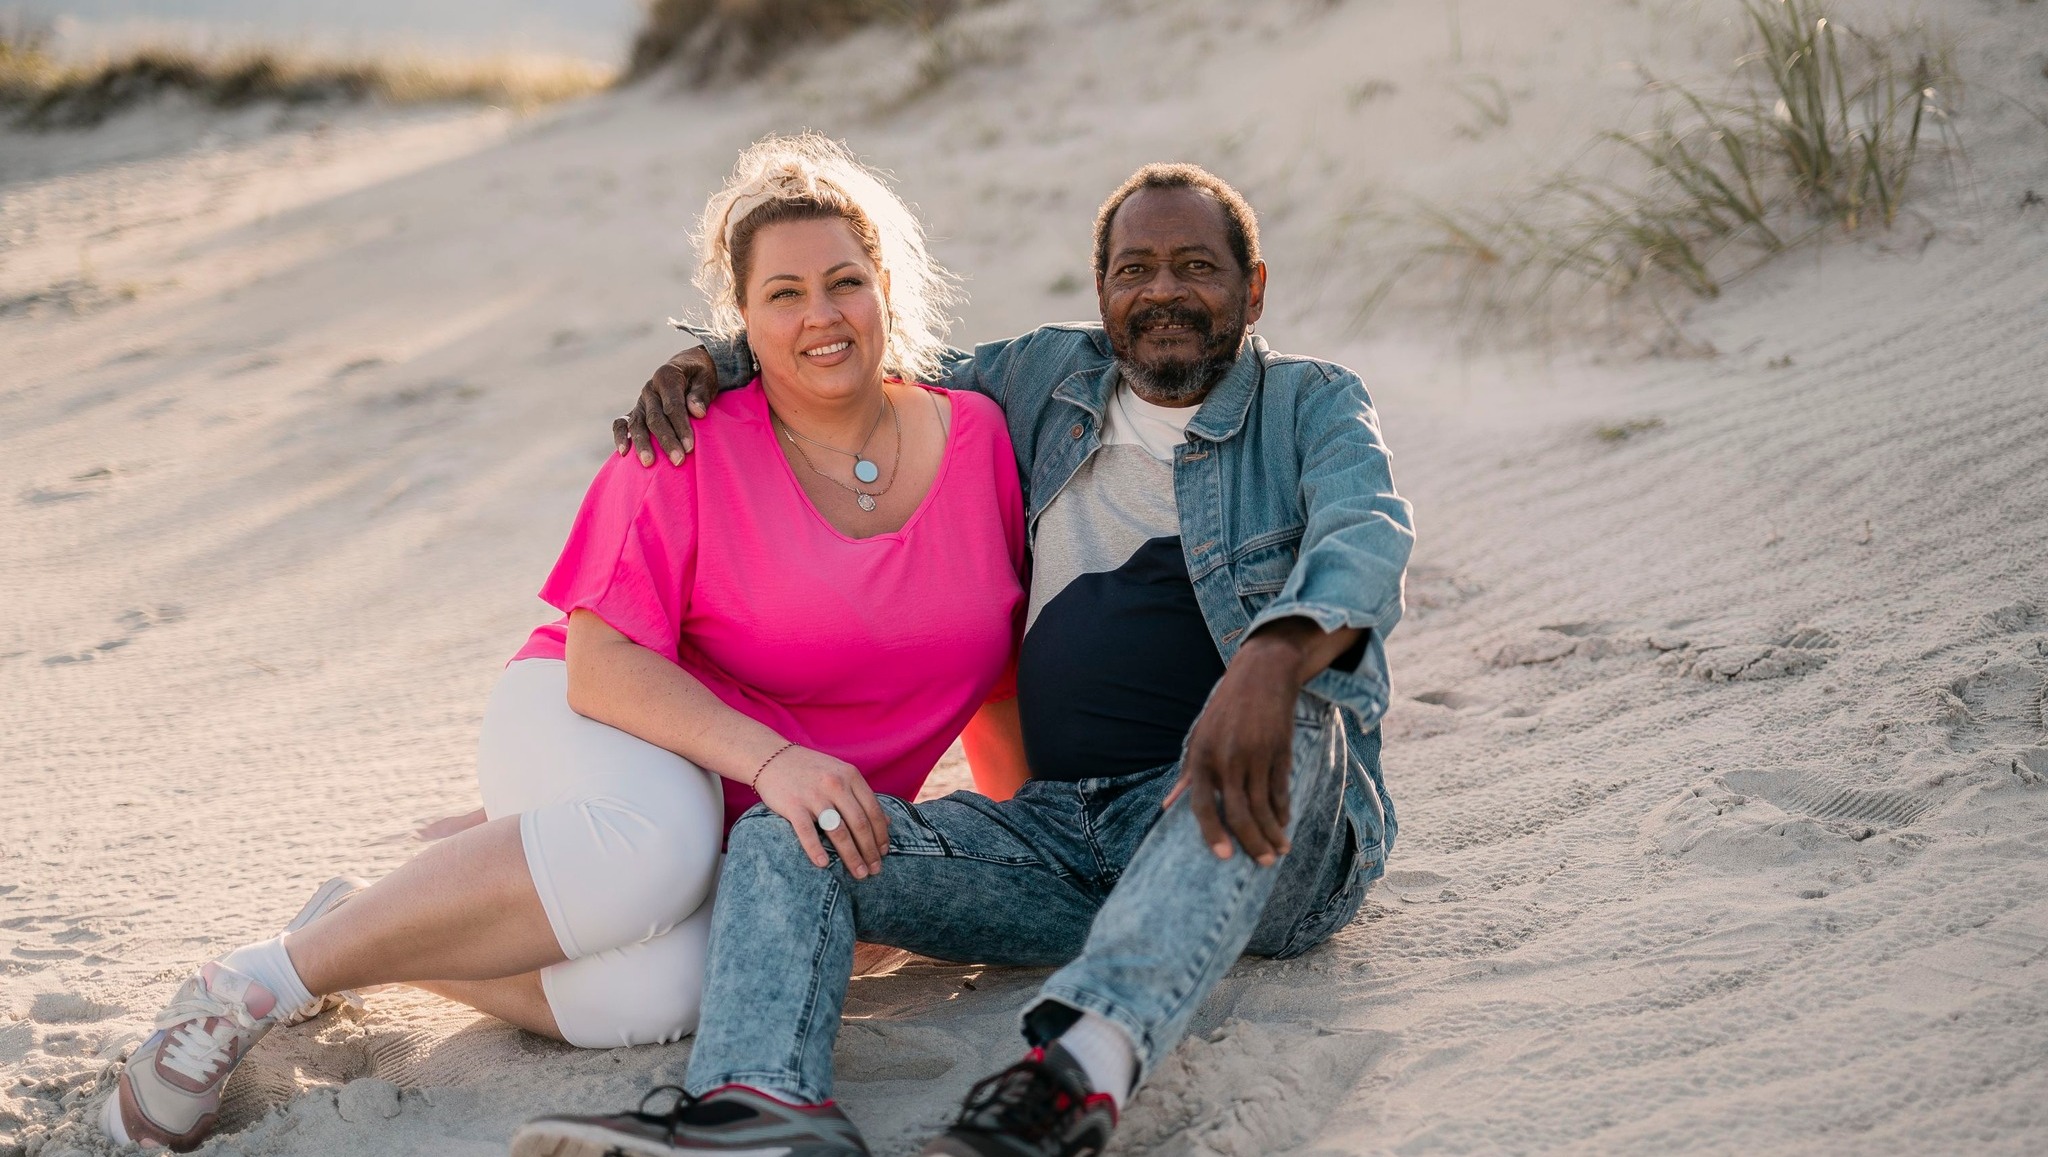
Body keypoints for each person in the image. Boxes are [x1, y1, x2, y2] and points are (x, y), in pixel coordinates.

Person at [101, 134, 1030, 1153]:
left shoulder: (980, 440)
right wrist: (772, 760)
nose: (821, 314)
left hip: (765, 812)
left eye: (844, 281)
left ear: (884, 286)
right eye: (784, 293)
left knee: (664, 991)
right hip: (600, 713)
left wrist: (1017, 848)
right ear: (742, 318)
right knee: (656, 845)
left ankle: (376, 922)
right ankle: (253, 983)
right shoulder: (686, 443)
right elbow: (601, 663)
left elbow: (993, 677)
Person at [509, 162, 1410, 1157]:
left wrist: (1272, 660)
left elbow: (1365, 537)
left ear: (1253, 288)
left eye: (1195, 266)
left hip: (1262, 826)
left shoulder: (1310, 406)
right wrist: (716, 361)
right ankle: (759, 1104)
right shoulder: (1041, 383)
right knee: (795, 826)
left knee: (1301, 704)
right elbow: (845, 348)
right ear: (1101, 288)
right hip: (1063, 837)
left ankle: (1073, 1074)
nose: (1162, 291)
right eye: (1134, 269)